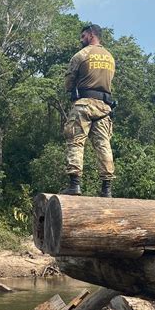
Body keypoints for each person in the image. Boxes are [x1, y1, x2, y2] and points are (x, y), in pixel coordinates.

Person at [62, 23, 116, 197]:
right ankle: (106, 188)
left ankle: (74, 185)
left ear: (92, 34)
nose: (81, 39)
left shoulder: (81, 55)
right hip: (104, 107)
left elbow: (69, 83)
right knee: (103, 145)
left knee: (76, 141)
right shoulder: (110, 57)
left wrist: (72, 89)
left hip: (84, 104)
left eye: (83, 36)